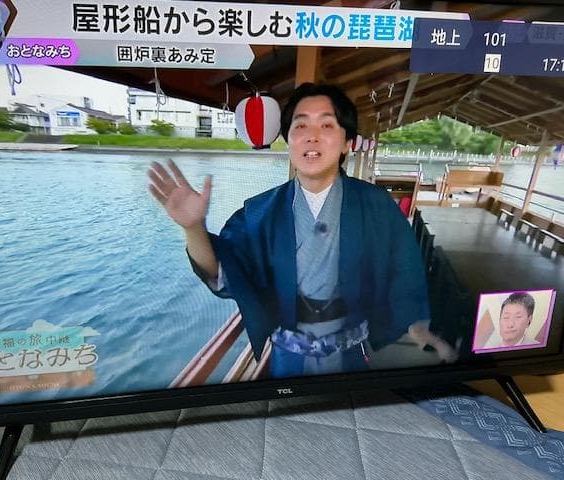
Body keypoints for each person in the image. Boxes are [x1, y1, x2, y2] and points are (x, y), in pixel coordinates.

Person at [148, 83, 454, 379]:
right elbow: (224, 271)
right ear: (288, 140)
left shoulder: (375, 204)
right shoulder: (260, 212)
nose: (312, 136)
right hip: (289, 350)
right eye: (301, 126)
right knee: (288, 411)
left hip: (350, 347)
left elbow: (403, 267)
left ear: (347, 142)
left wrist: (417, 326)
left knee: (349, 408)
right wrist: (194, 228)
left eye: (327, 125)